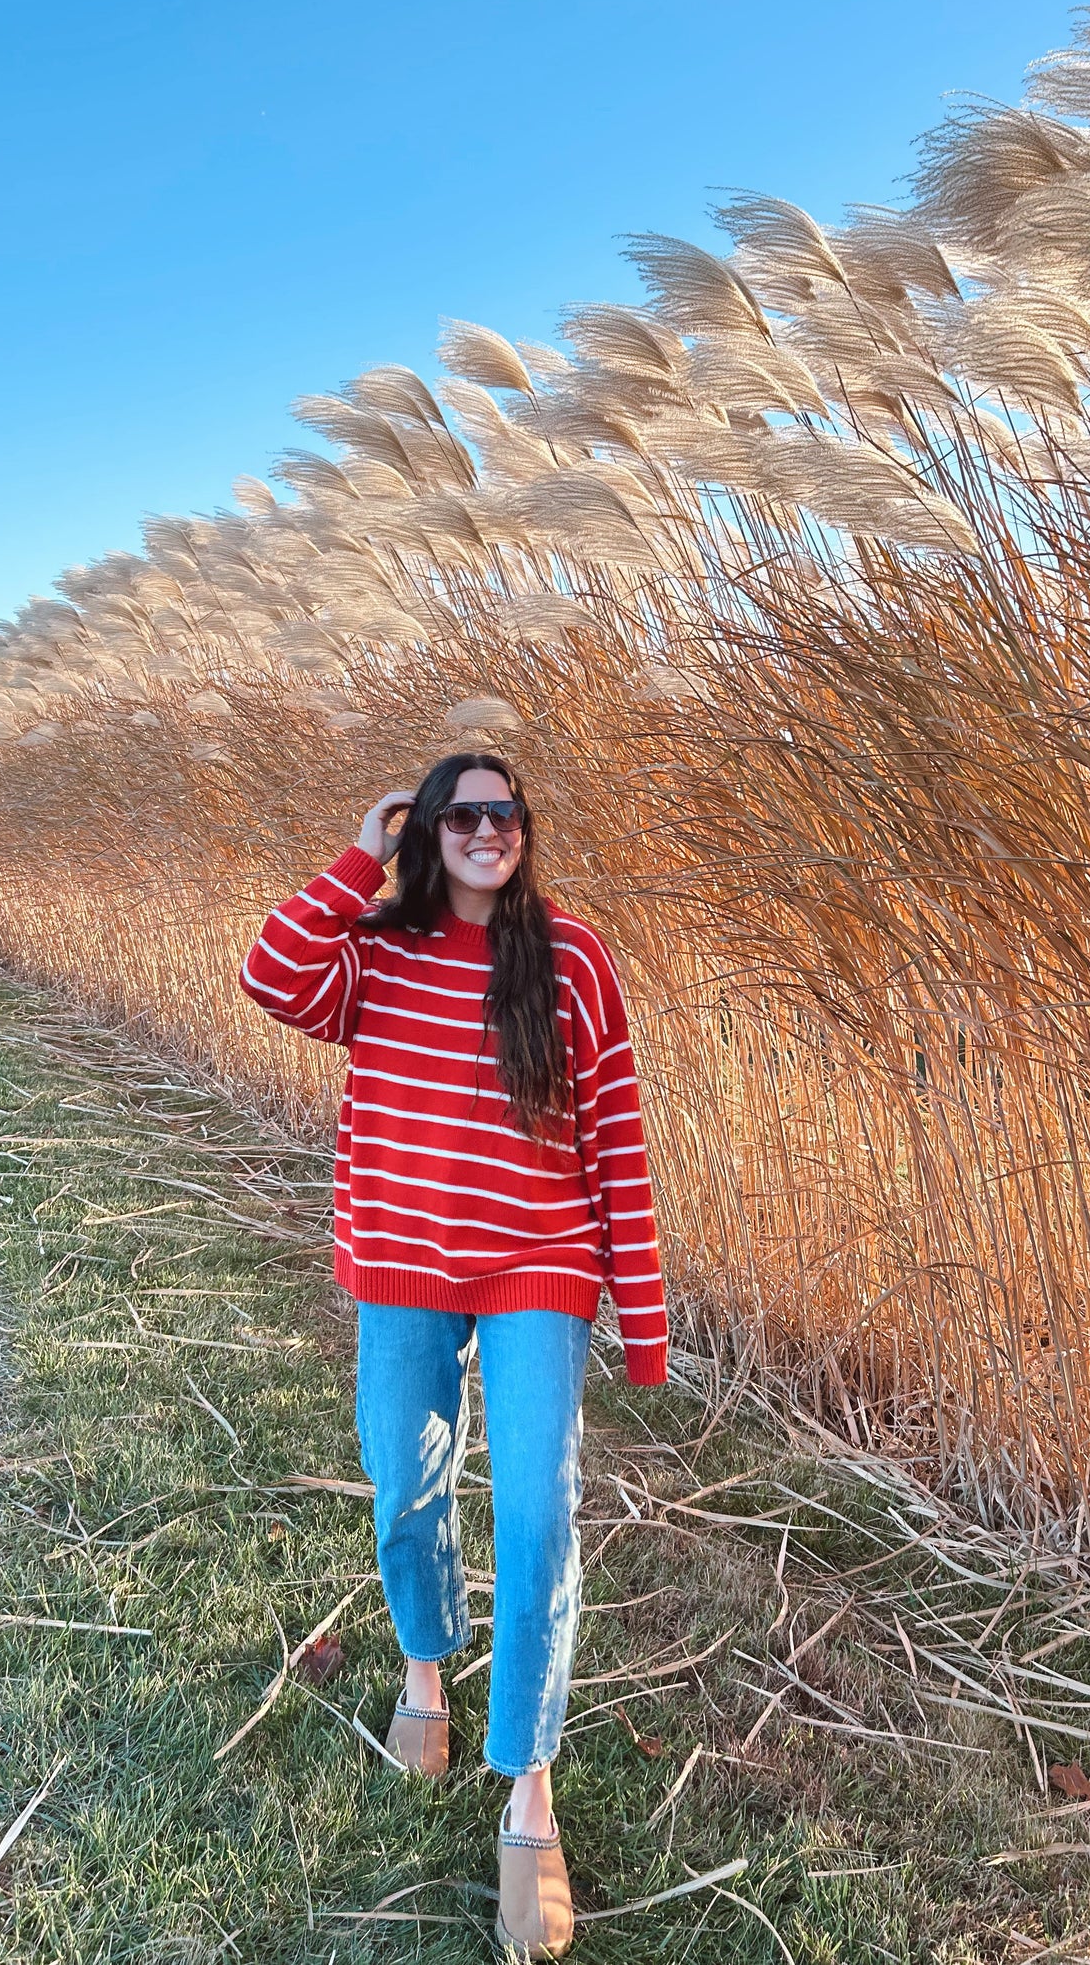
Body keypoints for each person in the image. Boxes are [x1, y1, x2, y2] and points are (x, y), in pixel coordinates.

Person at [240, 750, 668, 1960]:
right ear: (426, 830)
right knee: (405, 1488)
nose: (489, 830)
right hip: (401, 1268)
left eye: (506, 811)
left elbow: (616, 1135)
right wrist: (358, 855)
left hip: (539, 1265)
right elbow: (269, 974)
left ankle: (528, 1785)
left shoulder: (571, 956)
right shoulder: (375, 950)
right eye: (461, 814)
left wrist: (642, 1316)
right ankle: (426, 1667)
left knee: (536, 1515)